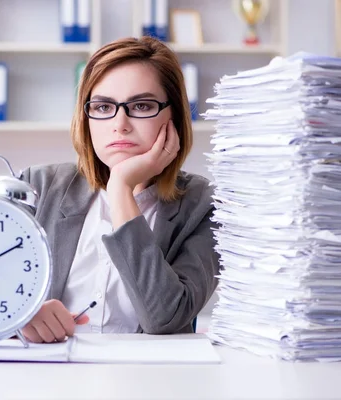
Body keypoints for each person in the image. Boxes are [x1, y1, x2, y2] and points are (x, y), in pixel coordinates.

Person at [20, 36, 219, 343]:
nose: (120, 124)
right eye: (103, 106)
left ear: (174, 116)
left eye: (141, 105)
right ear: (86, 117)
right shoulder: (37, 187)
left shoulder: (204, 205)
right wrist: (20, 315)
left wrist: (121, 188)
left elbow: (165, 318)